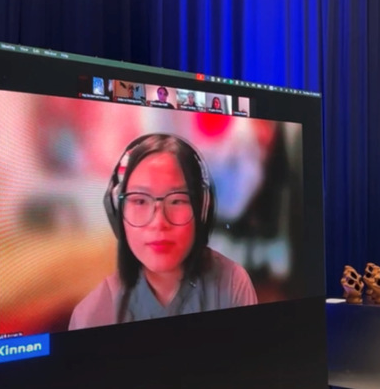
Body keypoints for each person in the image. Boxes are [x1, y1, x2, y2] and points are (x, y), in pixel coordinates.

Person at [69, 134, 258, 330]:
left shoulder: (233, 283)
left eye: (177, 200)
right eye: (140, 201)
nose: (159, 223)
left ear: (201, 210)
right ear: (117, 213)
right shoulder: (91, 315)